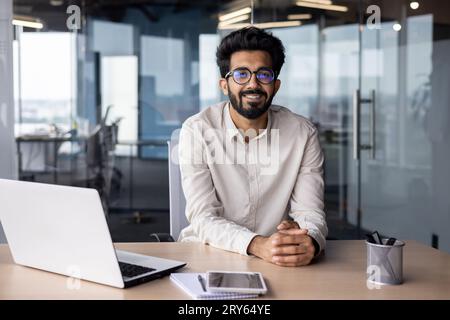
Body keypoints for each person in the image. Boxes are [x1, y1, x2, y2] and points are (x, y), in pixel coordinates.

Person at [177, 27, 327, 267]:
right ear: (224, 85)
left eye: (264, 75)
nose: (253, 84)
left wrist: (310, 240)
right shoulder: (197, 130)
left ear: (276, 85)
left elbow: (310, 213)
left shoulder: (302, 133)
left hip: (277, 258)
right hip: (209, 255)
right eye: (241, 74)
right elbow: (203, 217)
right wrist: (258, 244)